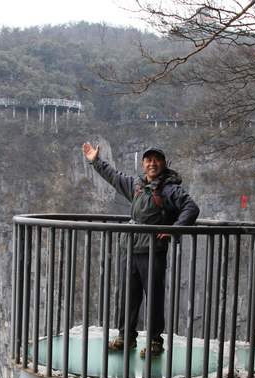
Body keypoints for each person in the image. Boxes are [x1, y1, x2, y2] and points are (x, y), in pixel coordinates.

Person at [82, 143, 200, 356]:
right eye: (148, 159)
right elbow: (113, 176)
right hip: (130, 248)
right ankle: (125, 337)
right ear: (143, 163)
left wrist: (175, 229)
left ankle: (155, 341)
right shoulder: (136, 186)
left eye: (156, 159)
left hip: (153, 251)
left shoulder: (170, 189)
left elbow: (191, 208)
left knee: (153, 296)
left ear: (163, 163)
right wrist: (95, 161)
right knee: (127, 295)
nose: (152, 163)